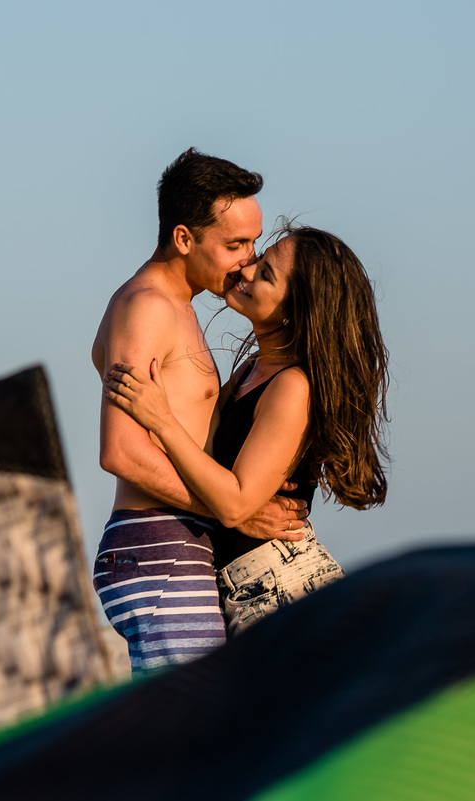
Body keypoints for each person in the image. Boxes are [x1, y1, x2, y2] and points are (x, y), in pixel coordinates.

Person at [106, 221, 389, 636]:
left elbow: (235, 503)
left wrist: (161, 420)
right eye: (260, 259)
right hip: (249, 586)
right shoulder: (250, 371)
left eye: (266, 274)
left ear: (295, 311)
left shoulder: (292, 387)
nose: (247, 270)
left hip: (279, 587)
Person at [91, 150, 311, 672]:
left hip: (172, 546)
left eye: (253, 243)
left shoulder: (176, 306)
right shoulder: (147, 307)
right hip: (158, 547)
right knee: (187, 718)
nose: (247, 261)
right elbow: (121, 451)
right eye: (235, 245)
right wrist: (235, 510)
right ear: (184, 238)